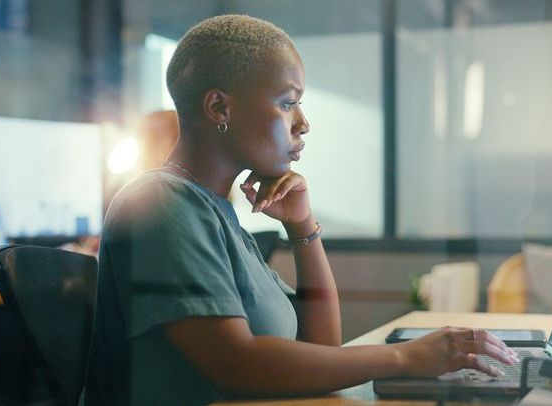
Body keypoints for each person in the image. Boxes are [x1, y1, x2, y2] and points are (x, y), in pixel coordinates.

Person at [86, 15, 518, 406]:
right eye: (288, 103)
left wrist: (302, 227)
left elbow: (321, 347)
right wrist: (405, 357)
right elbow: (238, 366)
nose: (303, 123)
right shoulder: (161, 202)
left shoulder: (216, 213)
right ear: (219, 107)